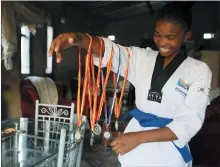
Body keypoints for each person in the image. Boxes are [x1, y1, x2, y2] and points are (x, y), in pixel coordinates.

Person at [48, 2, 212, 167]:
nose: (162, 42)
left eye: (170, 37)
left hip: (168, 153)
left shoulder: (198, 70)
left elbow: (189, 122)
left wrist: (138, 138)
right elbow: (113, 51)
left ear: (186, 36)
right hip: (134, 148)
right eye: (158, 34)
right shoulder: (142, 58)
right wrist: (79, 39)